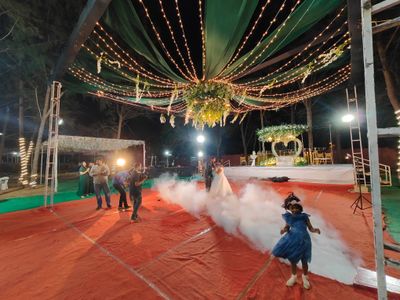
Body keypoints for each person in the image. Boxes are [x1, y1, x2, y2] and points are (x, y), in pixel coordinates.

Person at [272, 194, 321, 289]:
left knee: (304, 261)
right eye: (292, 208)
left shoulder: (304, 217)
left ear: (300, 208)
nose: (294, 210)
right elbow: (286, 227)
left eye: (296, 208)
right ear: (290, 209)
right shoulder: (289, 218)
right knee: (293, 260)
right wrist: (283, 230)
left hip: (305, 241)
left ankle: (305, 277)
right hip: (293, 240)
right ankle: (293, 276)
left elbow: (310, 228)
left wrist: (315, 230)